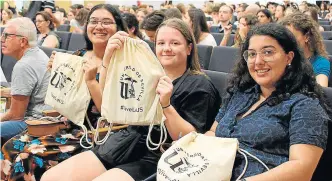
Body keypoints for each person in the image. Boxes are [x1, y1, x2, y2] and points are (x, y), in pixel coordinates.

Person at [41, 18, 221, 181]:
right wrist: (109, 56)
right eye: (161, 43)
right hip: (124, 142)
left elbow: (188, 138)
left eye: (175, 43)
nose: (166, 48)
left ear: (189, 48)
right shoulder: (148, 73)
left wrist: (166, 105)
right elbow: (110, 99)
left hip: (159, 155)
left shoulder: (200, 85)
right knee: (51, 178)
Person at [0, 4, 126, 181]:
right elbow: (63, 99)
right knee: (10, 147)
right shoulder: (79, 55)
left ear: (118, 27)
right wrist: (56, 74)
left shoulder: (122, 65)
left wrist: (91, 81)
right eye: (94, 21)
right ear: (86, 26)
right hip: (65, 124)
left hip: (95, 133)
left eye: (106, 22)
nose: (99, 26)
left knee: (27, 157)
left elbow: (111, 115)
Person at [206, 23, 329, 180]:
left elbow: (301, 169)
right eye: (251, 54)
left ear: (289, 57)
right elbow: (213, 132)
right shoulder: (240, 92)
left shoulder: (305, 105)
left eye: (268, 52)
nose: (258, 61)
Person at [0, 17, 51, 140]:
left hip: (36, 123)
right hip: (47, 117)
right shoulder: (37, 53)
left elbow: (16, 115)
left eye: (7, 36)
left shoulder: (23, 66)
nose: (2, 39)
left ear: (23, 41)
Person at [280, 13, 330, 87]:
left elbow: (321, 91)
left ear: (307, 37)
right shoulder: (283, 58)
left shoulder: (320, 62)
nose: (287, 42)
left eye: (291, 37)